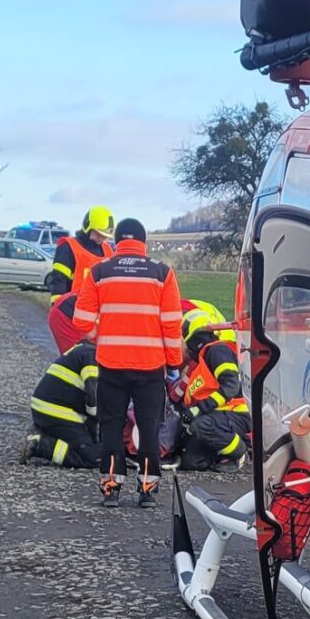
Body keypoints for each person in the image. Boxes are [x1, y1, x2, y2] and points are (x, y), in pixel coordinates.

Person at [72, 217, 183, 507]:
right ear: (143, 243)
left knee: (110, 427)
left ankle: (111, 489)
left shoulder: (99, 272)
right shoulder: (162, 274)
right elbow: (171, 324)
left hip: (111, 364)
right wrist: (174, 364)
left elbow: (81, 320)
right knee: (148, 428)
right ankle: (147, 492)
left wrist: (103, 336)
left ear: (116, 241)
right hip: (150, 367)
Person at [177, 308, 250, 473]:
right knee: (192, 461)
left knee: (201, 426)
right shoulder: (203, 360)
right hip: (217, 417)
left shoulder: (217, 351)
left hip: (236, 414)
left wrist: (199, 409)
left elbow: (231, 386)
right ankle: (222, 450)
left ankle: (240, 452)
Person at [20, 341, 102, 469]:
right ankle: (40, 445)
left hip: (48, 407)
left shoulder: (85, 350)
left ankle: (46, 433)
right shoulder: (92, 356)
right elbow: (93, 397)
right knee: (93, 457)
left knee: (94, 444)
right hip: (57, 411)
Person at [47, 206, 115, 353]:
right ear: (88, 227)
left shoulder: (109, 251)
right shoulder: (69, 247)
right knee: (77, 360)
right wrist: (60, 313)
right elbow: (58, 281)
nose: (101, 239)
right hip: (72, 316)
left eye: (105, 236)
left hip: (97, 322)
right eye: (98, 234)